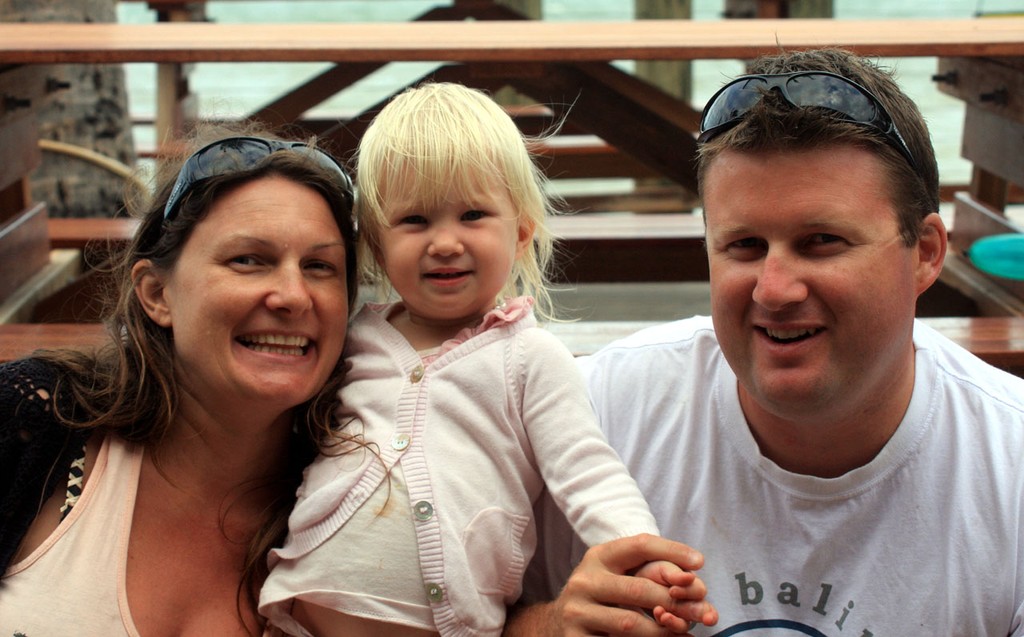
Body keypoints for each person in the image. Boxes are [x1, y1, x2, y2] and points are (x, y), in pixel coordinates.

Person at [510, 47, 1024, 636]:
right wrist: (551, 626)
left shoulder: (1009, 468)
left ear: (926, 253)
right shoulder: (589, 416)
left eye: (822, 241)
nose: (774, 290)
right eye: (745, 246)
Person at [258, 82, 718, 637]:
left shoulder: (529, 357)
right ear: (376, 246)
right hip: (300, 614)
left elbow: (588, 472)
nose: (445, 242)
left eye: (472, 215)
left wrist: (643, 562)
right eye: (415, 221)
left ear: (521, 233)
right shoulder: (353, 339)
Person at [0, 129, 358, 636]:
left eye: (320, 266)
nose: (293, 296)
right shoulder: (31, 418)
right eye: (248, 260)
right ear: (156, 294)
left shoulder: (361, 494)